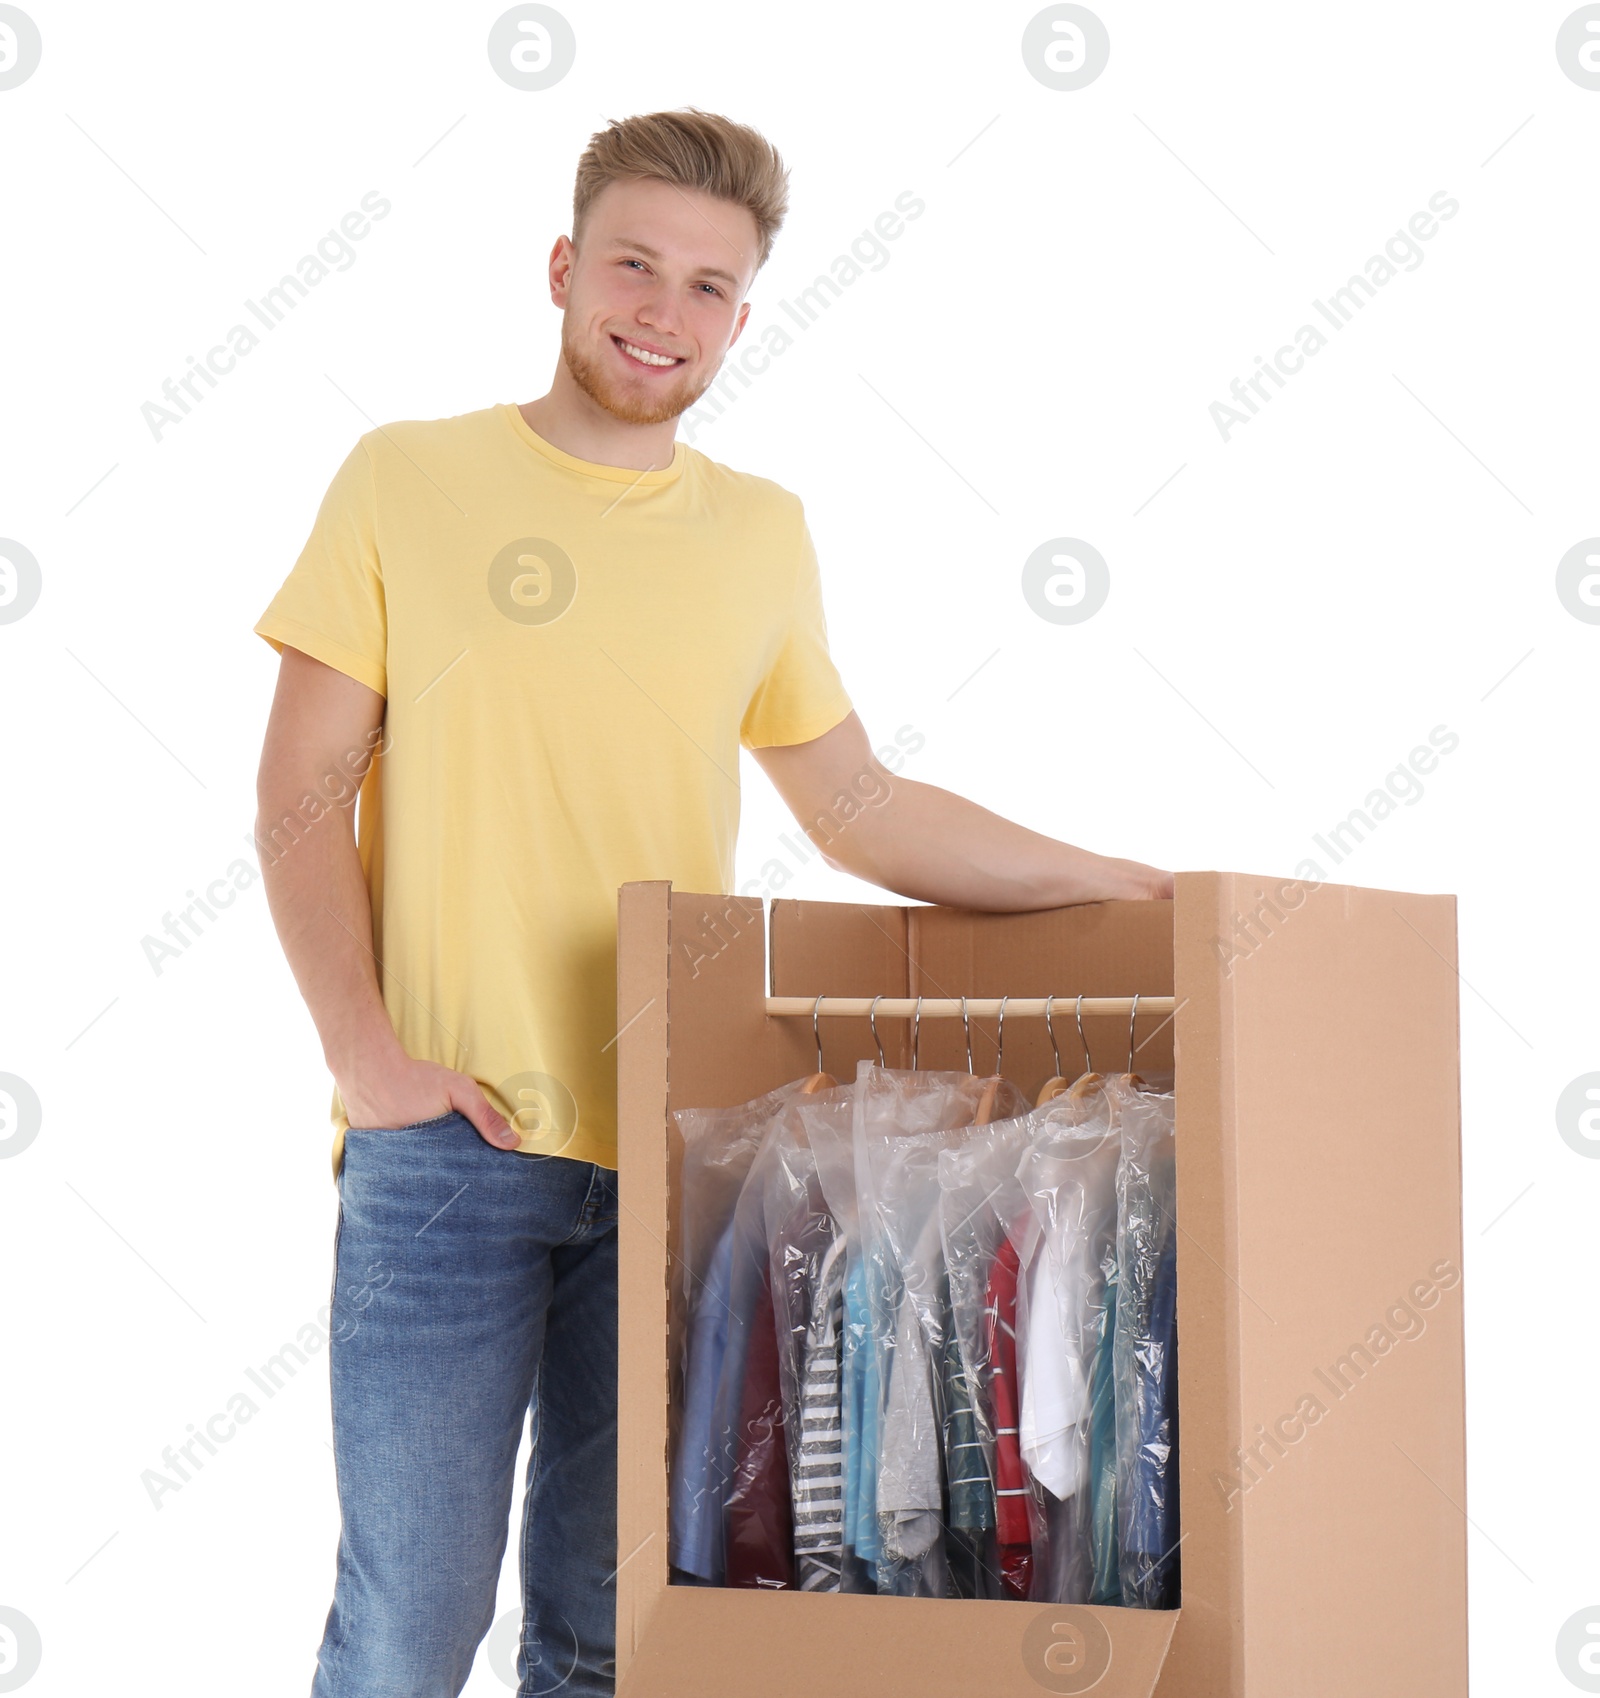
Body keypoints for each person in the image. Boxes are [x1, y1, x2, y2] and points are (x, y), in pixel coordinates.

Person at [252, 106, 1170, 1698]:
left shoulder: (760, 533)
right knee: (406, 1632)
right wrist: (370, 1063)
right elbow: (297, 796)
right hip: (447, 1152)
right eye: (633, 265)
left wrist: (1121, 881)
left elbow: (859, 805)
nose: (661, 313)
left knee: (615, 1641)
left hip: (674, 1149)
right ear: (562, 268)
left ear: (742, 317)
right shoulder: (408, 479)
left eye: (706, 287)